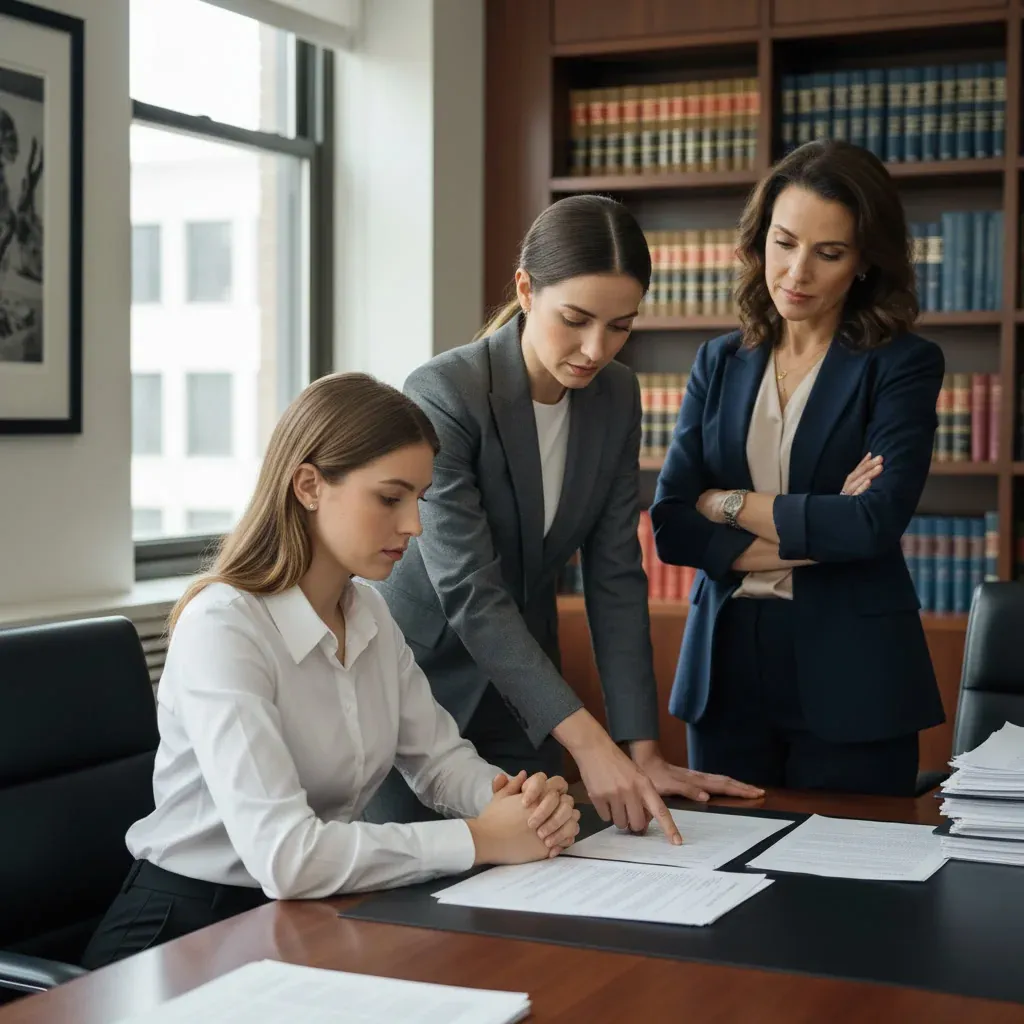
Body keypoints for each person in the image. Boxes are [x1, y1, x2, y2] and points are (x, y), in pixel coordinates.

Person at [82, 373, 580, 969]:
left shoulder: (368, 610)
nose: (415, 526)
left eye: (420, 499)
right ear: (309, 485)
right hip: (182, 932)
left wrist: (516, 804)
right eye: (390, 498)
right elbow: (286, 855)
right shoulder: (224, 627)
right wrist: (483, 838)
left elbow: (439, 761)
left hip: (300, 917)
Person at [367, 194, 763, 841]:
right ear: (526, 289)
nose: (594, 348)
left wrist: (639, 748)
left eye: (619, 326)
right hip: (420, 689)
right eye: (575, 319)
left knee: (543, 884)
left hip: (527, 700)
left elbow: (614, 576)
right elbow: (470, 588)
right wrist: (590, 742)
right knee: (409, 902)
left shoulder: (615, 396)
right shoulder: (446, 392)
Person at [650, 139, 946, 796]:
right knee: (724, 880)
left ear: (865, 262)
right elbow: (671, 523)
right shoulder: (718, 362)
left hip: (853, 672)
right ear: (760, 242)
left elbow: (872, 523)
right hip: (724, 668)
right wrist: (819, 532)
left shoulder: (902, 365)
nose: (796, 271)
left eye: (828, 253)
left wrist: (723, 503)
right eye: (783, 243)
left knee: (850, 888)